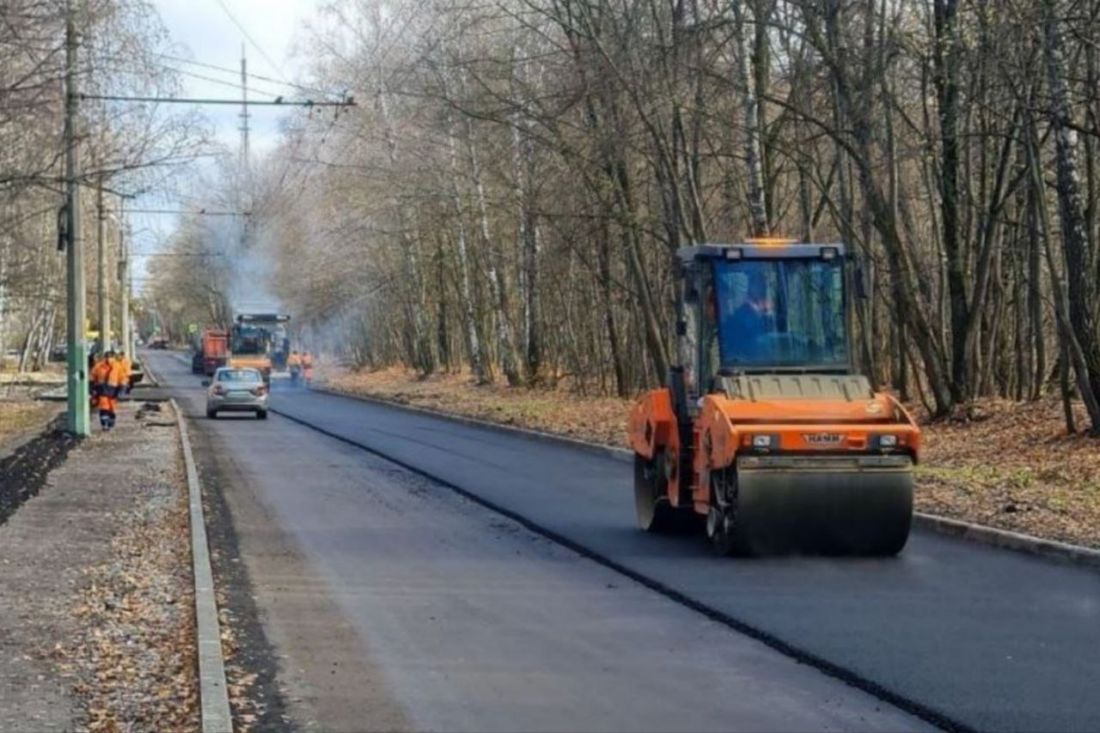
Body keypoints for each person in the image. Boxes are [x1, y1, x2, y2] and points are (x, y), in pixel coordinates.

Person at [724, 272, 775, 363]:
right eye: (758, 284)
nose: (763, 288)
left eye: (764, 284)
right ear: (750, 287)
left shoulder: (769, 316)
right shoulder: (739, 318)